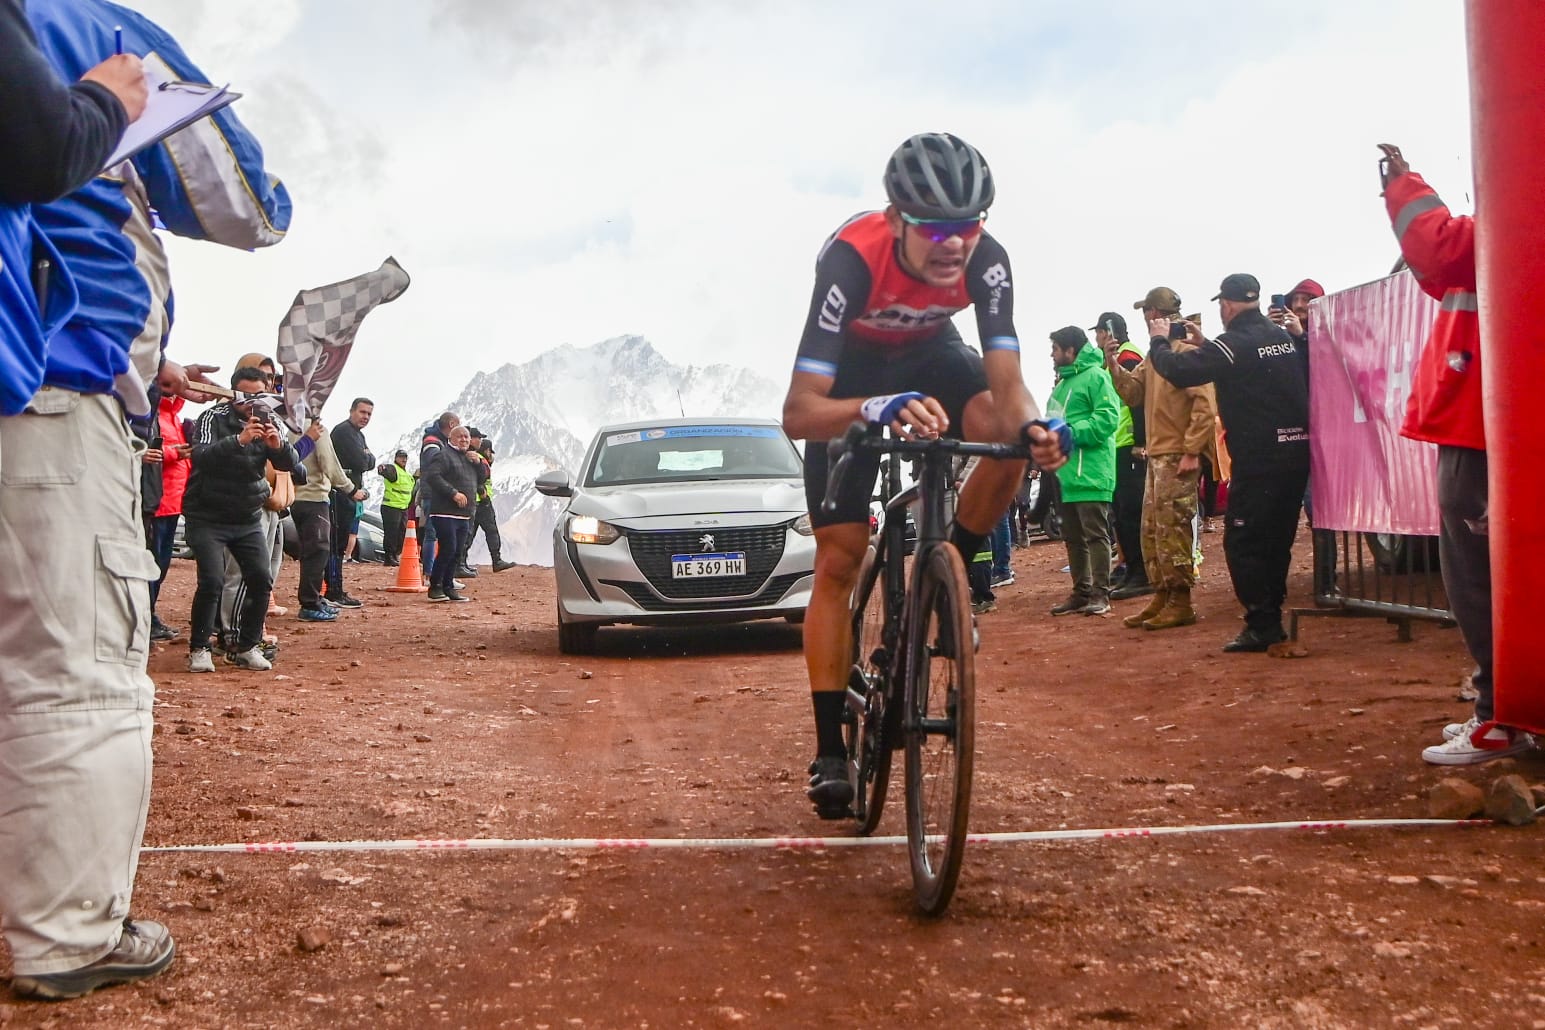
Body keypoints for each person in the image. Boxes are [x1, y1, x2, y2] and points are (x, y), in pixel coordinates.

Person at [779, 132, 1066, 817]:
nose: (954, 243)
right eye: (936, 226)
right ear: (896, 218)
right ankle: (827, 750)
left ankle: (952, 572)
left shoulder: (985, 261)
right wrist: (873, 407)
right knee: (840, 559)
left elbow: (1007, 383)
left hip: (933, 353)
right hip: (852, 372)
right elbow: (798, 413)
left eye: (969, 225)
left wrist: (1035, 427)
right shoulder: (853, 260)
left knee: (1004, 433)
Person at [0, 2, 161, 1002]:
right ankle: (67, 932)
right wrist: (106, 98)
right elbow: (37, 143)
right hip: (36, 405)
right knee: (76, 662)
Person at [1376, 144, 1535, 763]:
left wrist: (1402, 183)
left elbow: (1437, 249)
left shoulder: (1513, 228)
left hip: (1485, 428)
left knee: (1479, 575)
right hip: (1497, 425)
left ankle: (1503, 713)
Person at [1146, 274, 1309, 652]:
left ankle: (1262, 623)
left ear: (1227, 305)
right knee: (1277, 541)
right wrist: (1207, 345)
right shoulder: (1280, 337)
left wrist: (1158, 338)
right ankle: (1269, 615)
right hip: (1296, 454)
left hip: (1259, 457)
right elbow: (1244, 364)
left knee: (1243, 542)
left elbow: (1179, 370)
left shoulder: (1235, 342)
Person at [1106, 287, 1219, 631]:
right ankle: (1162, 593)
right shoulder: (1156, 357)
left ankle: (1180, 599)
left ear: (1155, 314)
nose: (1146, 318)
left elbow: (1205, 406)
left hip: (1175, 455)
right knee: (1153, 530)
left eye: (1148, 312)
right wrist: (1112, 363)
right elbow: (1133, 393)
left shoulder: (1185, 353)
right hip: (1158, 454)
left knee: (1175, 529)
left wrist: (1191, 450)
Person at [183, 367, 299, 671]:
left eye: (258, 396)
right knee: (211, 580)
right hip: (207, 513)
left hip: (246, 515)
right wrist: (240, 439)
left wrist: (279, 447)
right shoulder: (213, 417)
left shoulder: (271, 421)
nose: (250, 403)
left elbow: (294, 468)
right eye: (244, 395)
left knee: (261, 579)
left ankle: (246, 646)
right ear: (233, 392)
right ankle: (199, 648)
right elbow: (201, 456)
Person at [1045, 326, 1120, 616]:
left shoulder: (1097, 377)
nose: (1051, 354)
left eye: (1055, 348)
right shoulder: (1061, 385)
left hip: (1091, 471)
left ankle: (1101, 594)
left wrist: (1070, 432)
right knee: (1073, 537)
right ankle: (1081, 592)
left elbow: (1108, 419)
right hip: (1065, 475)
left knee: (1096, 535)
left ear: (1070, 350)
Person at [1093, 312, 1151, 599]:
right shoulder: (1115, 358)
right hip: (1118, 445)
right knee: (1123, 514)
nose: (1096, 339)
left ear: (1107, 332)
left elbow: (1138, 400)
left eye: (1098, 333)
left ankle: (1141, 573)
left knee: (1131, 513)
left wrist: (1140, 441)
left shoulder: (1128, 356)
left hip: (1129, 446)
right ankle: (1132, 570)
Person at [146, 390, 193, 640]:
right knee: (152, 565)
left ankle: (149, 615)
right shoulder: (152, 413)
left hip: (173, 502)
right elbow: (150, 451)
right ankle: (145, 618)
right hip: (156, 503)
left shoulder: (170, 414)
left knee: (161, 565)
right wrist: (176, 452)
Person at [293, 415, 349, 622]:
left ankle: (313, 599)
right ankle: (310, 603)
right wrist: (350, 488)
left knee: (309, 550)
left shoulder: (287, 425)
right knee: (318, 551)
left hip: (292, 497)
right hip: (314, 497)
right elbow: (329, 464)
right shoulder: (315, 429)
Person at [421, 425, 486, 602]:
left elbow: (482, 479)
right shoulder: (443, 455)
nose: (464, 440)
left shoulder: (469, 458)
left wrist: (479, 464)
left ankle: (448, 587)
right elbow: (433, 477)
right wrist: (453, 493)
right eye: (460, 437)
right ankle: (435, 587)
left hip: (464, 514)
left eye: (466, 437)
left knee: (457, 551)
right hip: (444, 512)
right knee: (448, 549)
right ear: (451, 438)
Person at [327, 398, 374, 607]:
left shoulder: (358, 435)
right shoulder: (343, 432)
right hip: (340, 494)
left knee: (341, 542)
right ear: (351, 411)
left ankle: (336, 588)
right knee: (336, 544)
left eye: (369, 414)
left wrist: (366, 457)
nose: (365, 417)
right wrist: (365, 457)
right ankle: (333, 590)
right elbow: (360, 461)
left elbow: (369, 461)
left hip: (350, 494)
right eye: (362, 412)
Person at [459, 429, 516, 573]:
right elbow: (476, 477)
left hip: (477, 501)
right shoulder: (474, 457)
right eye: (478, 437)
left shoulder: (473, 456)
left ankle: (462, 562)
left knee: (471, 533)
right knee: (487, 531)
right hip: (479, 501)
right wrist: (482, 493)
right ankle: (495, 560)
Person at [377, 448, 414, 565]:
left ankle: (396, 554)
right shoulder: (394, 469)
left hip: (403, 507)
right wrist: (382, 469)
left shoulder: (407, 474)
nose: (403, 459)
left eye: (405, 457)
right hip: (391, 506)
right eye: (401, 457)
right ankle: (389, 557)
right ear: (396, 458)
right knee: (391, 533)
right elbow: (386, 470)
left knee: (401, 533)